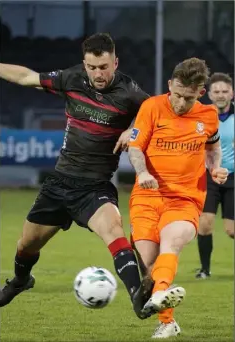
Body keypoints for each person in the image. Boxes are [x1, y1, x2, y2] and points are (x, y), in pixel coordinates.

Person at [0, 33, 151, 318]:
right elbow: (26, 77)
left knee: (114, 231)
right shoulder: (71, 79)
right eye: (92, 67)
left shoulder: (130, 92)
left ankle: (138, 297)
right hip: (59, 182)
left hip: (95, 186)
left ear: (115, 62)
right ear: (84, 64)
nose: (98, 74)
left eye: (104, 67)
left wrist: (133, 130)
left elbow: (158, 114)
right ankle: (21, 280)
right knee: (27, 244)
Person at [128, 58, 229, 338]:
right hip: (147, 196)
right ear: (170, 85)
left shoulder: (207, 115)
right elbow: (135, 148)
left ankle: (165, 317)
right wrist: (143, 171)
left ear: (200, 92)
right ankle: (168, 319)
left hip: (186, 198)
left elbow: (212, 147)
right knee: (149, 264)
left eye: (188, 98)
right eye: (177, 95)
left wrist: (215, 168)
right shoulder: (151, 107)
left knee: (170, 244)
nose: (181, 104)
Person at [196, 72, 234, 279]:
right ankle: (205, 270)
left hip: (233, 179)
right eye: (216, 91)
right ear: (209, 94)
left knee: (231, 230)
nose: (221, 95)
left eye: (225, 91)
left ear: (232, 93)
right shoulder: (201, 116)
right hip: (209, 176)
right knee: (205, 223)